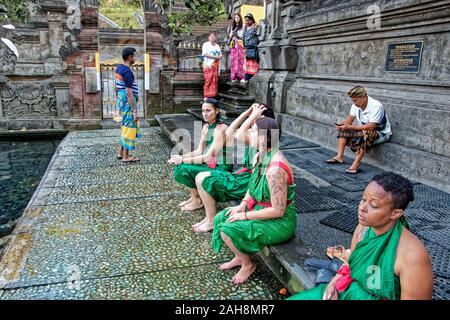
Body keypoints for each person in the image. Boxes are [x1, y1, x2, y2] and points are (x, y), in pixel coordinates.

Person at [289, 172, 433, 300]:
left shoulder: (413, 256)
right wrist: (332, 285)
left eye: (374, 205)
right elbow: (351, 264)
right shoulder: (363, 228)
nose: (362, 207)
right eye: (363, 199)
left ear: (395, 213)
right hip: (349, 290)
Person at [211, 117, 297, 284]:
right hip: (259, 209)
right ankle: (239, 256)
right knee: (221, 217)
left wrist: (244, 216)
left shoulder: (275, 169)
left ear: (263, 137)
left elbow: (278, 210)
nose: (249, 133)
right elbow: (252, 187)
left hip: (279, 221)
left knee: (227, 229)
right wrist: (242, 205)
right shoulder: (259, 156)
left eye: (253, 130)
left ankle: (248, 265)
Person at [193, 104, 275, 233]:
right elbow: (230, 131)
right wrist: (247, 113)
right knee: (200, 176)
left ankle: (211, 220)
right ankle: (209, 218)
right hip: (243, 176)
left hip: (248, 181)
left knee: (204, 179)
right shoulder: (255, 134)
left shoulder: (264, 139)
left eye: (257, 119)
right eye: (253, 119)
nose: (253, 122)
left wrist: (252, 115)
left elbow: (236, 135)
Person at [168, 98, 233, 211]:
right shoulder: (206, 127)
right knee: (179, 166)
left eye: (208, 111)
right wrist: (180, 157)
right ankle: (194, 197)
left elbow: (208, 157)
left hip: (220, 167)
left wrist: (182, 160)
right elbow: (199, 151)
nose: (205, 114)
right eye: (203, 111)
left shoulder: (221, 129)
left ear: (216, 111)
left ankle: (197, 199)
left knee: (183, 168)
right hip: (210, 163)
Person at [326, 85, 392, 174]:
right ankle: (339, 156)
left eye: (356, 100)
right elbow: (349, 120)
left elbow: (371, 126)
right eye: (353, 100)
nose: (354, 103)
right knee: (344, 131)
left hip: (381, 133)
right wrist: (342, 125)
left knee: (368, 133)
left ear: (364, 97)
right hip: (363, 131)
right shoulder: (355, 105)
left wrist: (350, 127)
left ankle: (356, 164)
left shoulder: (376, 106)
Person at [115, 47, 141, 163]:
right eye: (134, 56)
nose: (135, 58)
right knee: (129, 127)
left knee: (125, 125)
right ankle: (126, 156)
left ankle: (121, 153)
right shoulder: (127, 71)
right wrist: (135, 110)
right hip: (127, 101)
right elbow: (128, 92)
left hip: (122, 100)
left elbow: (116, 88)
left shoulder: (119, 68)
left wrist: (118, 104)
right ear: (130, 57)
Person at [201, 33, 223, 98]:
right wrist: (215, 57)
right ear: (208, 38)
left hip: (215, 65)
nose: (213, 37)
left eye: (214, 36)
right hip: (208, 65)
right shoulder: (206, 44)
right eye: (211, 36)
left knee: (215, 81)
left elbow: (220, 54)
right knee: (208, 80)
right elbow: (205, 54)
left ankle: (213, 95)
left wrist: (220, 56)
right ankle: (206, 96)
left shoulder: (217, 46)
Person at [242, 13, 260, 84]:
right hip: (247, 48)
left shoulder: (255, 26)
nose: (247, 22)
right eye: (245, 20)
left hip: (254, 48)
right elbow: (243, 38)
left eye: (248, 20)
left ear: (252, 20)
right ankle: (247, 78)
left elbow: (258, 36)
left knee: (254, 64)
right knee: (248, 65)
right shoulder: (245, 28)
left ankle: (253, 79)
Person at [229, 13, 245, 83]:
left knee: (240, 61)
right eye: (235, 17)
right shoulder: (233, 27)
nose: (236, 19)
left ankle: (241, 77)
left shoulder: (243, 26)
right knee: (233, 62)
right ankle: (234, 77)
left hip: (240, 45)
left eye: (238, 17)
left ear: (240, 18)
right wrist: (232, 35)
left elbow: (243, 36)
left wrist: (237, 35)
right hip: (233, 46)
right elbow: (230, 36)